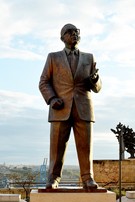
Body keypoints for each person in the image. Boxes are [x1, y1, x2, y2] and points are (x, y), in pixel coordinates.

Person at [39, 23, 102, 189]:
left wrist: (95, 80)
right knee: (57, 148)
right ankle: (53, 179)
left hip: (84, 108)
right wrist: (52, 99)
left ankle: (88, 179)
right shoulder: (53, 57)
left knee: (85, 147)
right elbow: (43, 82)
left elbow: (97, 87)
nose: (74, 34)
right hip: (60, 109)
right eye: (70, 32)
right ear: (62, 38)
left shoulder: (89, 58)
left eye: (77, 32)